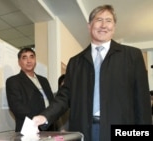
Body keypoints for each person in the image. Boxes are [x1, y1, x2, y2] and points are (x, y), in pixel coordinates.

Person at [32, 4, 152, 141]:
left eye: (108, 21)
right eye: (99, 20)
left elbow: (142, 103)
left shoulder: (132, 56)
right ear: (89, 26)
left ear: (114, 27)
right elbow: (64, 97)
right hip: (84, 130)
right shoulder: (75, 62)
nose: (104, 25)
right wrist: (45, 116)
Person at [5, 47, 55, 132]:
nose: (29, 61)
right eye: (24, 57)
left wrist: (49, 117)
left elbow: (52, 102)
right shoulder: (13, 81)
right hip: (28, 129)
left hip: (49, 127)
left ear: (35, 60)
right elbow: (16, 107)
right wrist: (40, 118)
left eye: (32, 57)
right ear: (19, 62)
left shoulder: (44, 80)